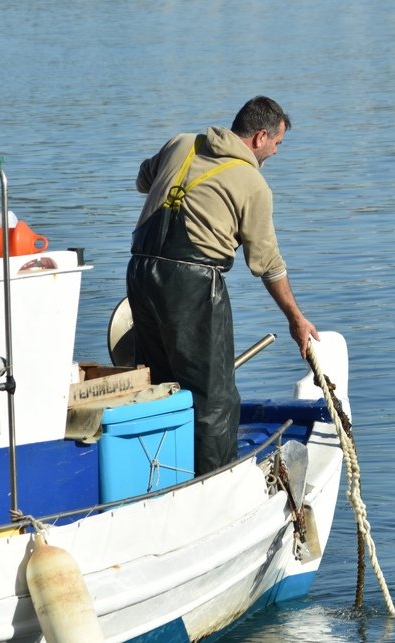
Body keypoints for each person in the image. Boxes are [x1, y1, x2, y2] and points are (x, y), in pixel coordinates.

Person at [127, 96, 319, 476]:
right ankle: (214, 484)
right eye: (277, 144)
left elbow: (141, 180)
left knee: (157, 384)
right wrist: (296, 318)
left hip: (140, 272)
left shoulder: (181, 143)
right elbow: (268, 265)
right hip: (192, 283)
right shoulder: (253, 184)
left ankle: (160, 473)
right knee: (214, 397)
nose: (276, 153)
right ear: (260, 137)